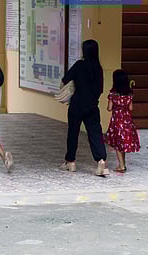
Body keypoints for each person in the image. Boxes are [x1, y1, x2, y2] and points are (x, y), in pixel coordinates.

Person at [60, 39, 109, 176]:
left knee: (73, 133)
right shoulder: (98, 68)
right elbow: (100, 89)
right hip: (92, 106)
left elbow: (65, 80)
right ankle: (100, 160)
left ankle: (71, 162)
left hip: (77, 105)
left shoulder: (79, 65)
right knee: (95, 134)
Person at [104, 69, 140, 173]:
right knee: (123, 143)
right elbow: (131, 108)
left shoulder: (113, 94)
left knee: (117, 144)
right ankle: (123, 163)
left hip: (117, 121)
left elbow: (109, 108)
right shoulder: (129, 94)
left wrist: (114, 104)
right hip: (127, 121)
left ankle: (121, 166)